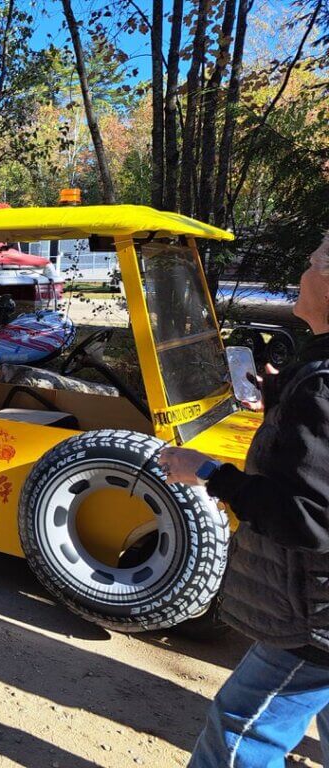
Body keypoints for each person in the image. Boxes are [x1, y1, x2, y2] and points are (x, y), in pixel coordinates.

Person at [160, 231, 329, 767]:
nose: (304, 269)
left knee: (240, 728)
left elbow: (305, 516)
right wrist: (284, 410)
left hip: (315, 611)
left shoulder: (323, 387)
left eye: (314, 260)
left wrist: (208, 472)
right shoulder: (317, 377)